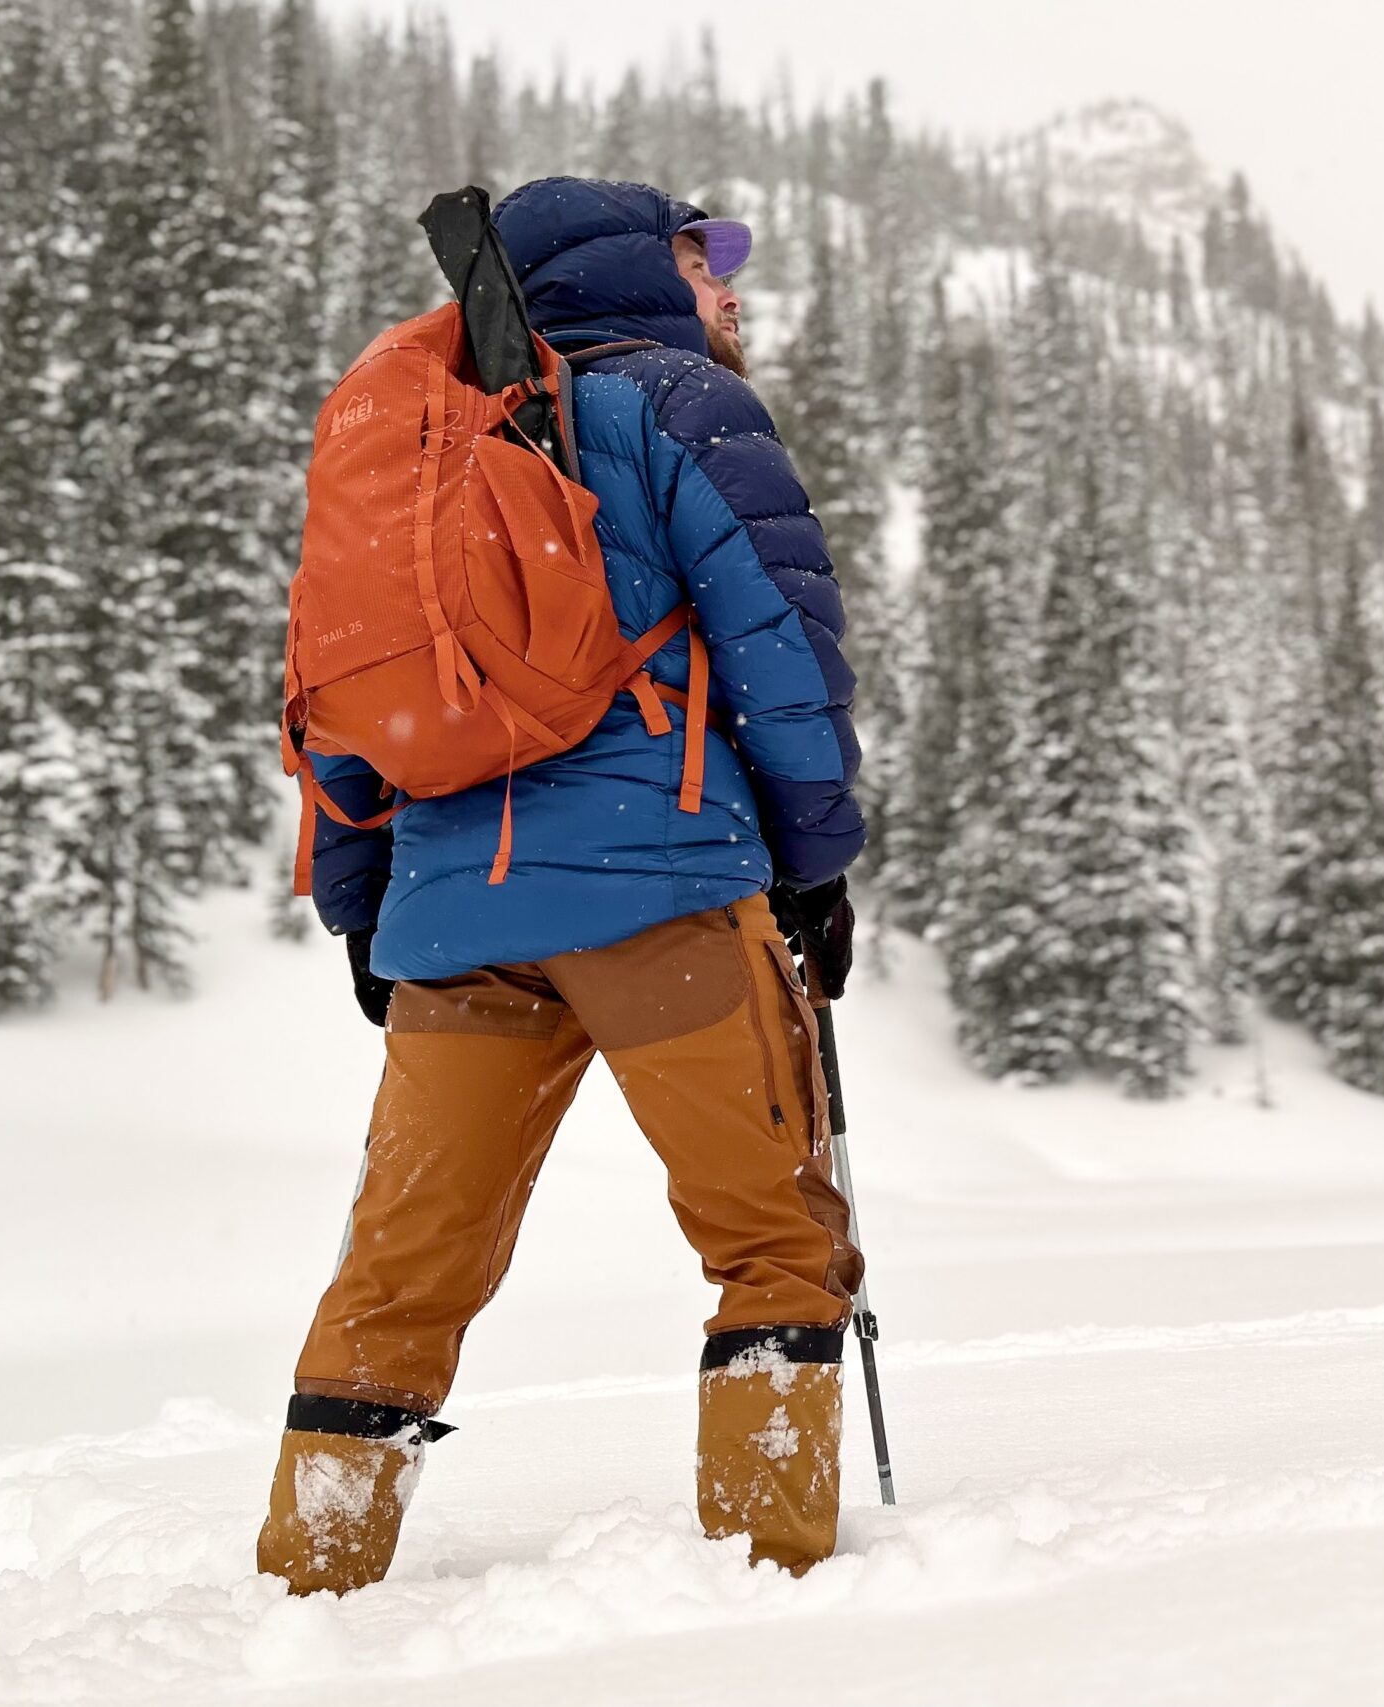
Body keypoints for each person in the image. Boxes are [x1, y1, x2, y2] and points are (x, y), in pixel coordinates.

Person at [255, 177, 866, 1594]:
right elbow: (783, 650)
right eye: (709, 252)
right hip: (667, 899)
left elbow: (337, 694)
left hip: (452, 924)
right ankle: (779, 1579)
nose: (732, 283)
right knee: (776, 1243)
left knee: (397, 1277)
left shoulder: (418, 448)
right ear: (639, 269)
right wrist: (817, 867)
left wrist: (361, 902)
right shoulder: (683, 406)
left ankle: (312, 1586)